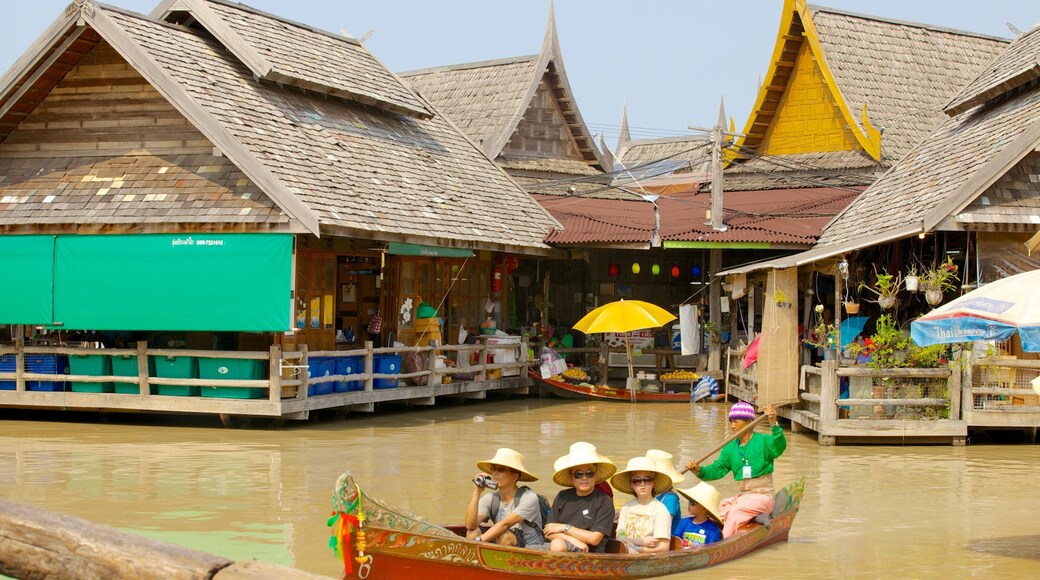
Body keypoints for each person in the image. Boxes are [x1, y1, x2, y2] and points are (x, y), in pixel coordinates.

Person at [684, 402, 786, 538]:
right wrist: (698, 470)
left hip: (763, 496)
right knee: (712, 508)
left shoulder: (763, 441)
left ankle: (723, 542)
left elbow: (779, 447)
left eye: (736, 422)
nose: (732, 426)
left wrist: (774, 424)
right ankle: (708, 535)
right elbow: (717, 470)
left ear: (749, 421)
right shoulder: (730, 447)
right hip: (744, 497)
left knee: (735, 512)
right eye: (731, 422)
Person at [465, 448, 546, 549]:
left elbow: (505, 524)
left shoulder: (528, 497)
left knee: (505, 537)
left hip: (530, 547)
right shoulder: (491, 498)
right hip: (504, 541)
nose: (495, 473)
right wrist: (477, 492)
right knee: (473, 532)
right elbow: (470, 525)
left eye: (501, 470)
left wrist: (478, 541)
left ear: (514, 476)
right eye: (493, 469)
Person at [543, 442, 616, 553]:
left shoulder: (604, 501)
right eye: (578, 474)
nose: (584, 478)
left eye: (589, 473)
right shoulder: (562, 496)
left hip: (589, 554)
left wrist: (565, 528)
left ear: (595, 476)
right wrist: (572, 539)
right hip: (562, 545)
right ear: (572, 478)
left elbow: (594, 539)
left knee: (557, 544)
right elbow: (549, 532)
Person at [609, 456, 673, 554]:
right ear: (631, 484)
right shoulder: (626, 507)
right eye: (637, 480)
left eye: (647, 480)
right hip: (625, 553)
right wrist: (639, 542)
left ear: (653, 483)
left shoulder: (660, 510)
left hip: (646, 559)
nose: (642, 484)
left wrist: (635, 548)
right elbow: (620, 536)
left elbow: (664, 548)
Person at [645, 449, 685, 536]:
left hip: (662, 540)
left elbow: (663, 527)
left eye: (647, 479)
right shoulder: (649, 495)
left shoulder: (670, 499)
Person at [673, 482, 723, 548]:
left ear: (704, 507)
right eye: (689, 501)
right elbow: (675, 543)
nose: (689, 505)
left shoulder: (712, 530)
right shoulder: (683, 523)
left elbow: (712, 550)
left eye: (692, 502)